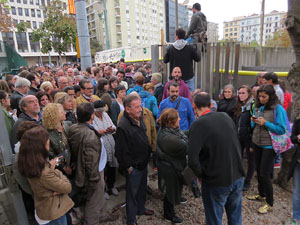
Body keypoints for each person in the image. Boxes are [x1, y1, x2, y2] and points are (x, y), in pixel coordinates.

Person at [188, 93, 245, 225]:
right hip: (237, 176)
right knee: (235, 217)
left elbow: (192, 159)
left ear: (194, 106)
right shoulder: (225, 117)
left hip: (215, 181)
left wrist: (201, 175)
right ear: (211, 105)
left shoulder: (198, 124)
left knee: (214, 219)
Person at [68, 102, 118, 224]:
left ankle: (103, 215)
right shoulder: (90, 136)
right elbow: (89, 160)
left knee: (99, 196)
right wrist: (94, 178)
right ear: (91, 116)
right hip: (95, 172)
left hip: (96, 169)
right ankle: (92, 221)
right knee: (94, 201)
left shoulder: (75, 127)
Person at [18, 126, 74, 225]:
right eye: (48, 143)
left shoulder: (29, 163)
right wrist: (57, 172)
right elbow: (67, 187)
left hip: (43, 210)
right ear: (40, 147)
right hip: (54, 215)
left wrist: (50, 167)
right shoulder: (44, 172)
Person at [247, 84, 287, 213]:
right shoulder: (259, 106)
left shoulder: (278, 109)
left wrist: (266, 123)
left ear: (271, 96)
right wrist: (253, 120)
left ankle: (270, 202)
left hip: (269, 146)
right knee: (259, 172)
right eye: (259, 96)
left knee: (265, 174)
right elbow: (254, 125)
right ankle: (261, 195)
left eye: (264, 96)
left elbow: (281, 129)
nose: (261, 99)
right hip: (257, 143)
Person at [115, 94, 154, 225]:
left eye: (140, 106)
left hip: (143, 163)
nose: (140, 109)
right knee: (132, 195)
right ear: (127, 109)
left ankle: (141, 209)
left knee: (142, 190)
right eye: (137, 107)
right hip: (134, 168)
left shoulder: (139, 119)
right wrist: (128, 167)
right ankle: (131, 220)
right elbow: (120, 152)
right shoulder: (123, 127)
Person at [156, 108, 188, 224]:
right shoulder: (169, 138)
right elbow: (186, 146)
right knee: (170, 191)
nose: (180, 119)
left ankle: (177, 197)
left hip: (172, 166)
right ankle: (169, 214)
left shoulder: (169, 130)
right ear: (170, 122)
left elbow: (184, 134)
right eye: (177, 118)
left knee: (175, 187)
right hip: (170, 169)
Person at [92, 100, 118, 196]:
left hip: (111, 143)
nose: (101, 113)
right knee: (103, 169)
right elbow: (93, 131)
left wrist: (112, 129)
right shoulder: (92, 118)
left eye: (102, 111)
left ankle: (111, 186)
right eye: (99, 111)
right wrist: (102, 131)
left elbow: (114, 126)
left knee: (112, 167)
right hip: (101, 146)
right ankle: (104, 190)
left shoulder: (105, 115)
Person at [233, 85, 255, 191]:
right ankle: (239, 177)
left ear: (249, 94)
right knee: (238, 156)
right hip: (239, 135)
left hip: (249, 137)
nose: (241, 95)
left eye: (243, 93)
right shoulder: (239, 105)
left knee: (251, 159)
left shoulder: (253, 105)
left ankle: (248, 181)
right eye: (239, 93)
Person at [42, 103, 72, 176]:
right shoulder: (46, 133)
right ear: (54, 116)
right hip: (60, 169)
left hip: (72, 162)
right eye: (62, 112)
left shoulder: (68, 124)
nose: (65, 113)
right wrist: (64, 167)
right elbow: (51, 154)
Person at [285, 116, 300, 225]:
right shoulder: (298, 120)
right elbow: (292, 137)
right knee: (297, 191)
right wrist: (298, 138)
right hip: (298, 162)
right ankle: (296, 218)